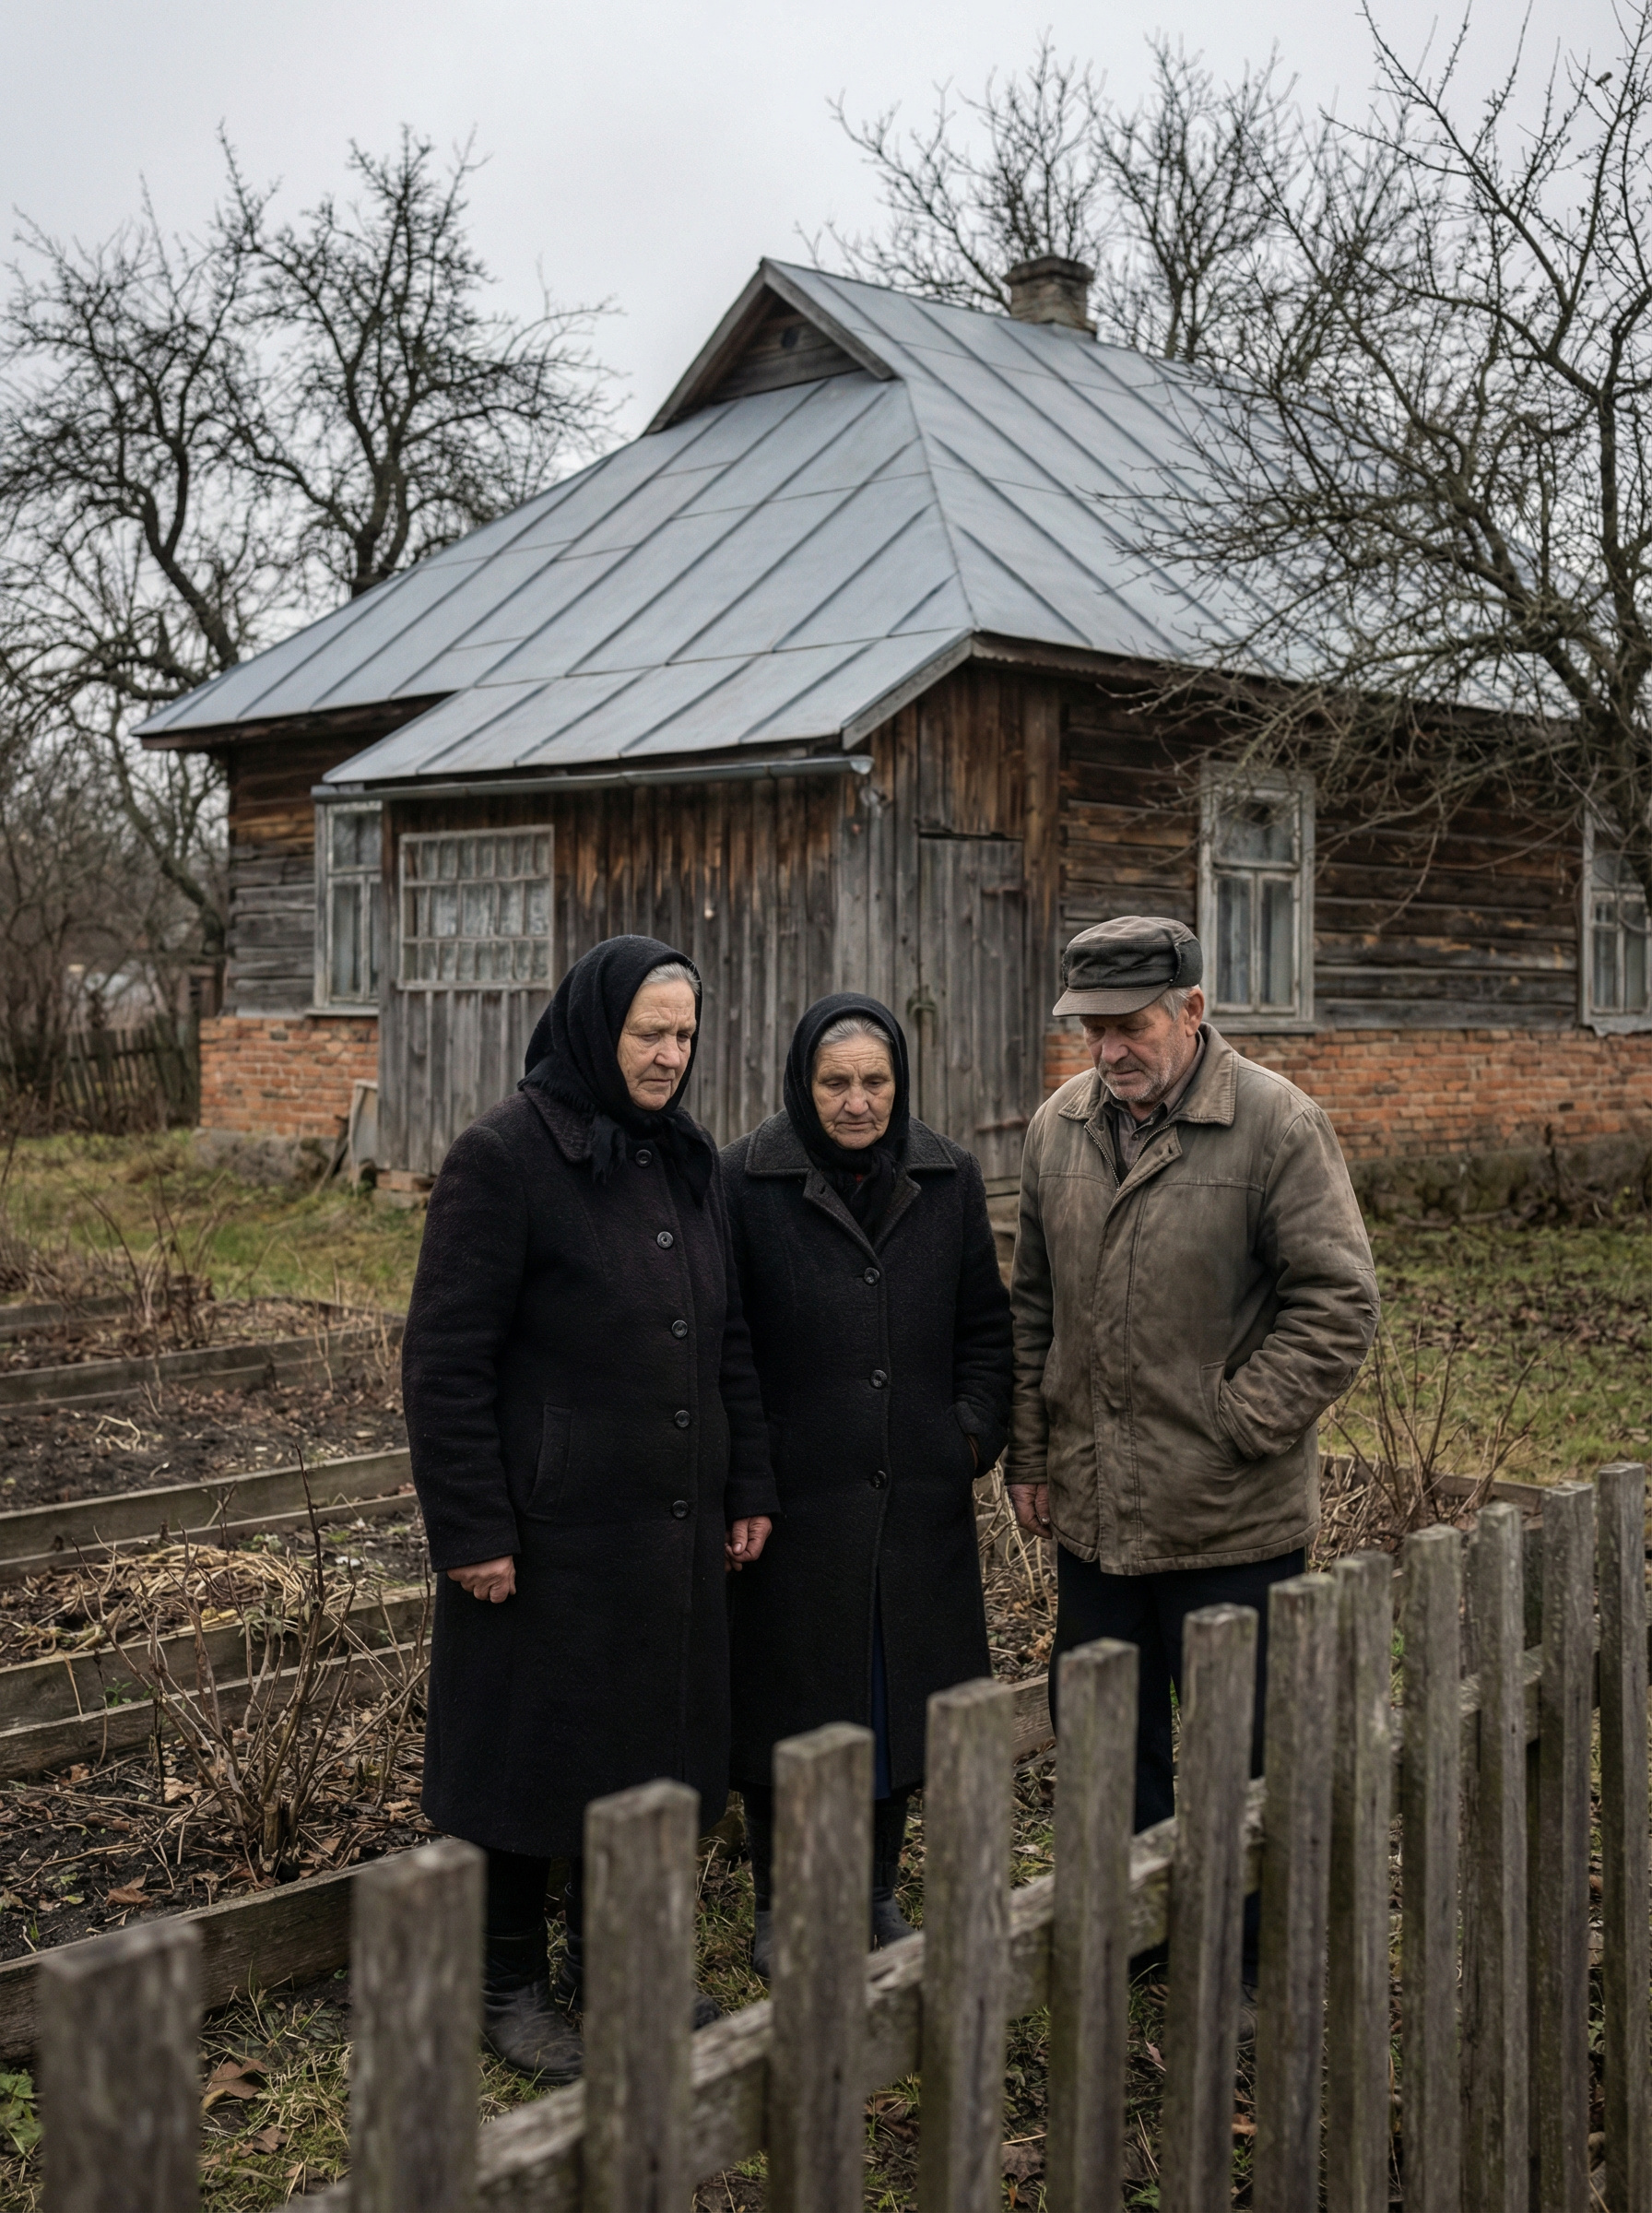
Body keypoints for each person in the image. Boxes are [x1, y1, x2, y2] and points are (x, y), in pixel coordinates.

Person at [401, 936, 777, 2081]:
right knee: (529, 1758)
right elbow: (445, 1361)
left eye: (683, 1034)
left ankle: (627, 1970)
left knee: (653, 1748)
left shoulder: (686, 1159)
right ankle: (505, 1986)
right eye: (647, 1033)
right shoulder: (503, 1157)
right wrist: (471, 1529)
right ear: (594, 1029)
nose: (668, 1055)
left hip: (667, 1528)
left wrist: (748, 1480)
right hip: (549, 1533)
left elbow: (727, 1341)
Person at [1008, 917, 1378, 1983]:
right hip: (1091, 1510)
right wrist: (1032, 1456)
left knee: (1239, 1747)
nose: (1110, 1050)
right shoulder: (1057, 1128)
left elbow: (1338, 1302)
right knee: (1107, 1738)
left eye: (1132, 1026)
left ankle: (1247, 1949)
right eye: (1092, 1030)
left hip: (1229, 1513)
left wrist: (1237, 1424)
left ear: (1194, 1011)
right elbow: (1034, 1304)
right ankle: (1136, 1930)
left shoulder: (1275, 1125)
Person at [721, 993, 1013, 1975]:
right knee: (787, 1707)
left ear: (900, 1084)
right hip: (797, 1505)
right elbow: (730, 1348)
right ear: (803, 1085)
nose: (856, 1102)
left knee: (897, 1699)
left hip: (916, 1496)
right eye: (835, 1082)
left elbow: (986, 1329)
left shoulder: (946, 1176)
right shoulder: (745, 1183)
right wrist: (751, 1474)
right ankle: (783, 1905)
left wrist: (968, 1437)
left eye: (875, 1081)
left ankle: (875, 1893)